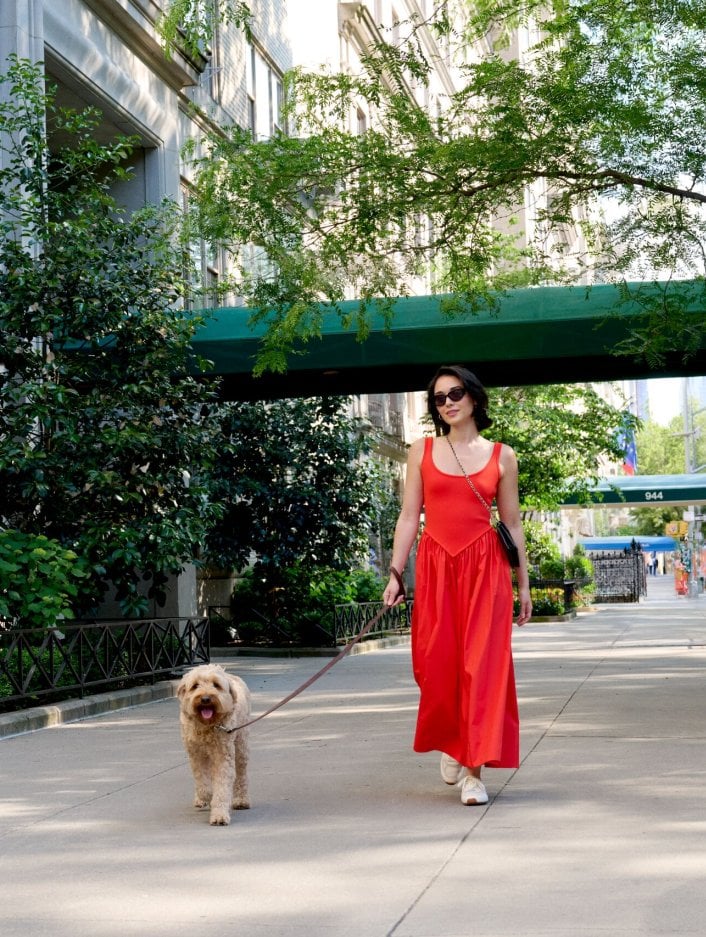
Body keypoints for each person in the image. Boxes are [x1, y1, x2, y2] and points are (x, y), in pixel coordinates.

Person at [383, 365, 532, 806]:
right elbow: (410, 516)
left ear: (474, 398)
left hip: (486, 570)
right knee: (436, 664)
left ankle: (474, 772)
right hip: (436, 567)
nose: (447, 402)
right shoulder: (421, 450)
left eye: (456, 393)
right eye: (439, 397)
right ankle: (453, 738)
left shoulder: (502, 455)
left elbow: (512, 524)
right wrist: (395, 572)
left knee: (484, 669)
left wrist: (523, 584)